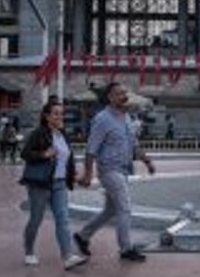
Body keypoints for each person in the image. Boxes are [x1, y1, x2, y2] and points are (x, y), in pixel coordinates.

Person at [74, 83, 156, 263]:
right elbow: (91, 149)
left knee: (110, 210)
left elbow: (134, 145)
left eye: (124, 93)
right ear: (110, 97)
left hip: (123, 169)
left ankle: (82, 236)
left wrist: (147, 161)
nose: (124, 96)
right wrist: (88, 174)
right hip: (109, 170)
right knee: (125, 208)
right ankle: (126, 249)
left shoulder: (126, 117)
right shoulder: (102, 119)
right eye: (119, 94)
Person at [19, 101, 87, 270]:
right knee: (36, 219)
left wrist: (73, 175)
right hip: (40, 184)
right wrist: (44, 154)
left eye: (61, 113)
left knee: (63, 219)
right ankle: (29, 251)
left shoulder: (62, 134)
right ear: (46, 116)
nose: (59, 116)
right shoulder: (39, 133)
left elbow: (67, 158)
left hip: (60, 183)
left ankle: (68, 256)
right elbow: (24, 153)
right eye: (56, 113)